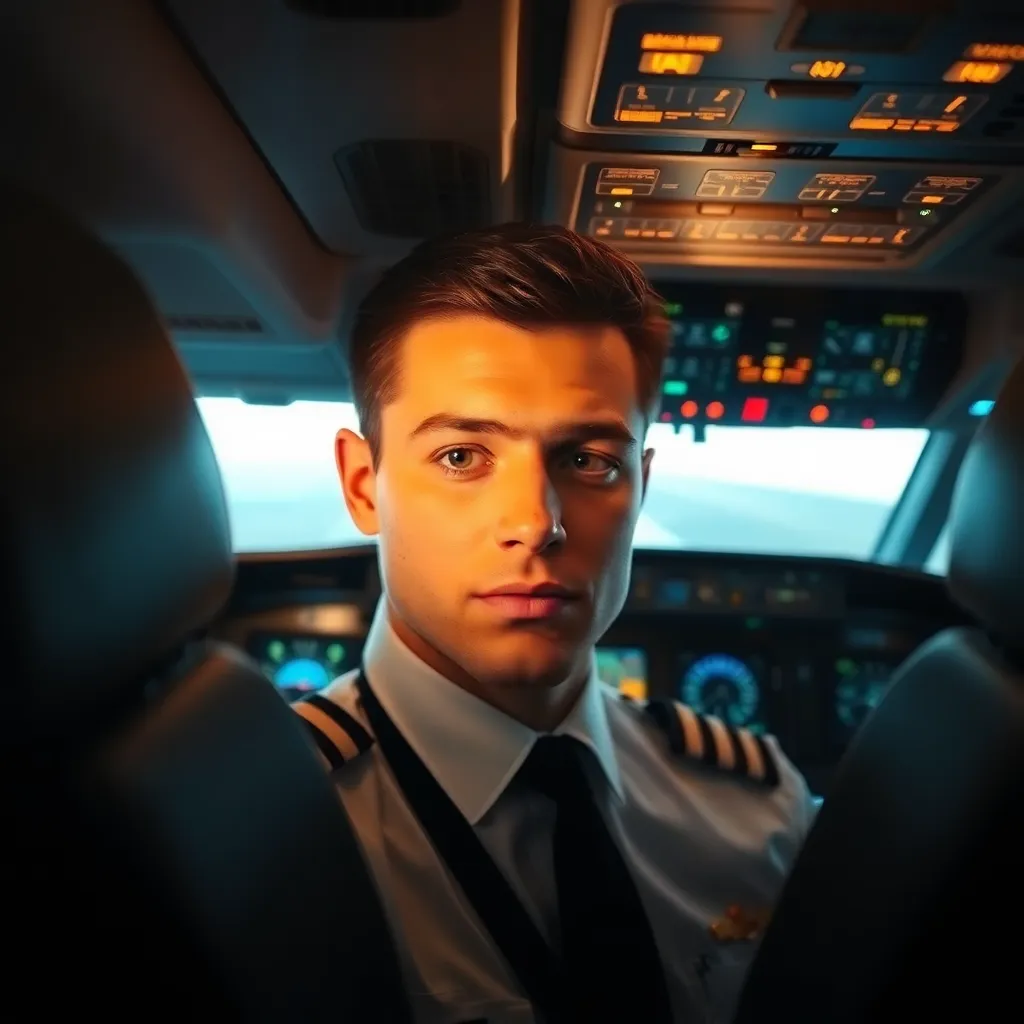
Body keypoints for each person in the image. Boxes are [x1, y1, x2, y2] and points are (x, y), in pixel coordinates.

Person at [294, 223, 817, 1024]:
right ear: (365, 485)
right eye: (462, 457)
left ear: (639, 485)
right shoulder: (271, 833)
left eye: (588, 461)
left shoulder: (757, 806)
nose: (536, 524)